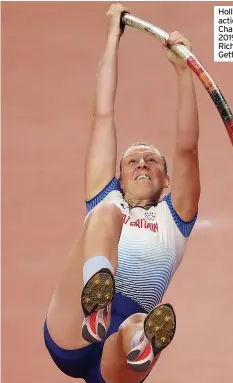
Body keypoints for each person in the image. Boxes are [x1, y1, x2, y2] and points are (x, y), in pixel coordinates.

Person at [44, 3, 201, 383]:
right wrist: (112, 39)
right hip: (71, 328)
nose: (143, 164)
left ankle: (143, 340)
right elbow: (103, 115)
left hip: (116, 360)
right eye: (133, 161)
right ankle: (96, 303)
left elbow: (187, 148)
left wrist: (184, 72)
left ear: (167, 181)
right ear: (119, 175)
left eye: (152, 161)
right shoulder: (105, 197)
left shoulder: (175, 218)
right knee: (106, 215)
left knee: (137, 323)